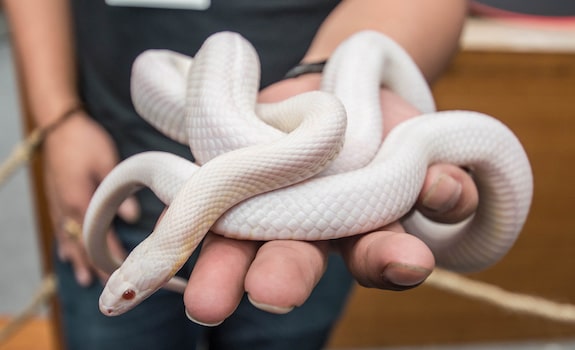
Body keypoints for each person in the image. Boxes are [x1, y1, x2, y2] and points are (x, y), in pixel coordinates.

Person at [4, 0, 475, 349]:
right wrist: (59, 118)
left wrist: (332, 67)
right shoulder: (252, 83)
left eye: (128, 290)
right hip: (106, 171)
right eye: (128, 289)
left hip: (320, 233)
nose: (121, 296)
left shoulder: (324, 117)